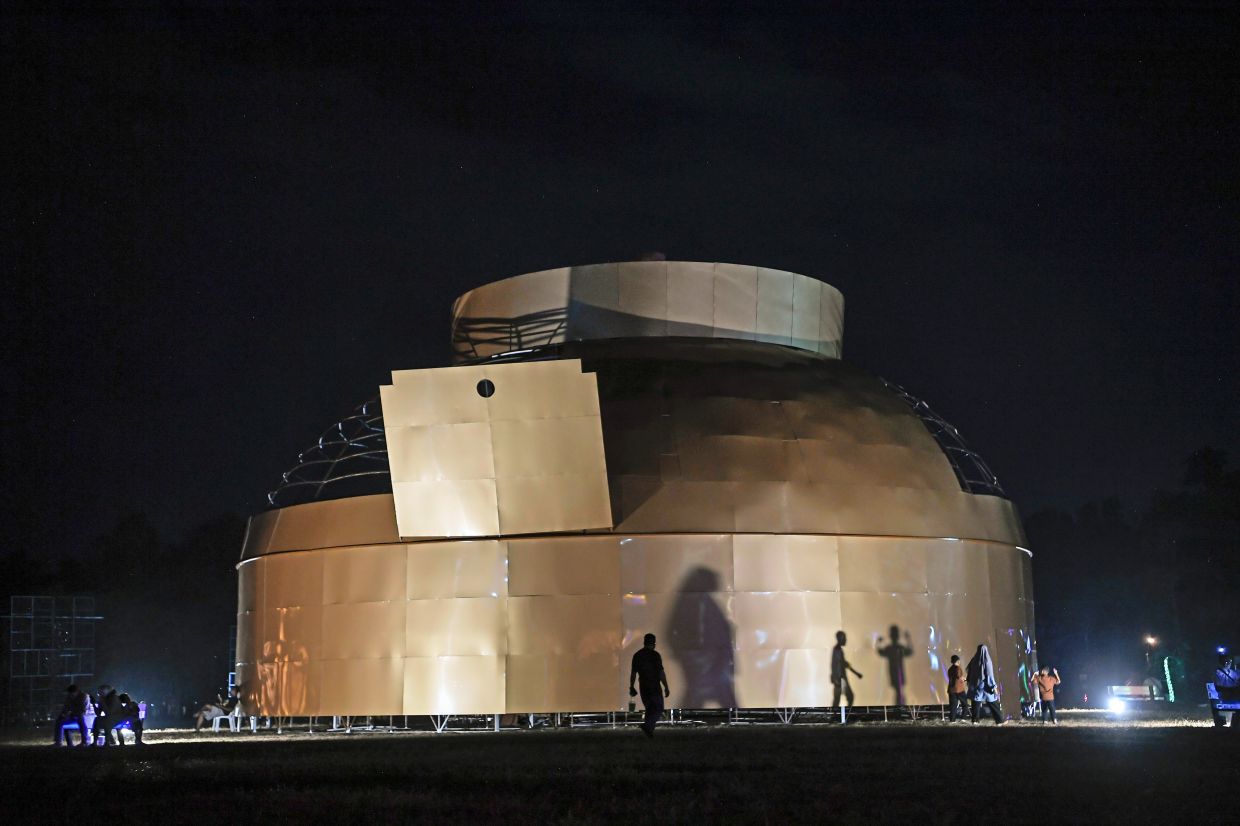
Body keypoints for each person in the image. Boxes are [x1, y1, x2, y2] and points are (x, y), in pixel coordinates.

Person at [629, 633, 670, 738]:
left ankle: (648, 732)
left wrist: (631, 686)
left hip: (643, 686)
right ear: (654, 643)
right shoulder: (655, 655)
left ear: (644, 642)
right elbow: (661, 673)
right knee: (658, 709)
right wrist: (666, 687)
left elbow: (633, 673)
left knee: (650, 709)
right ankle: (647, 727)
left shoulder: (637, 655)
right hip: (655, 686)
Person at [966, 644, 1003, 724]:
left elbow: (969, 672)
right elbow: (989, 674)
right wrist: (993, 686)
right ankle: (999, 720)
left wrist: (970, 682)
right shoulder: (987, 660)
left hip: (976, 685)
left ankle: (975, 720)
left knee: (976, 702)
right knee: (993, 702)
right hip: (985, 686)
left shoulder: (974, 660)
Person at [831, 631, 863, 711]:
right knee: (848, 697)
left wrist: (856, 673)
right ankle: (843, 714)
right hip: (840, 679)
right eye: (844, 638)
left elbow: (842, 664)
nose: (846, 640)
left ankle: (837, 715)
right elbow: (839, 665)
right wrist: (837, 680)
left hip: (839, 679)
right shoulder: (837, 650)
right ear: (840, 638)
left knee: (838, 699)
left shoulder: (838, 650)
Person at [1212, 653, 1239, 728]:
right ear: (1221, 662)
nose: (1228, 663)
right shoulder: (1217, 673)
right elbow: (1218, 688)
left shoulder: (1234, 673)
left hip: (1234, 696)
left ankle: (1236, 723)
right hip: (1224, 696)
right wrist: (1232, 690)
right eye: (1226, 661)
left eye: (1229, 661)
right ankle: (1236, 723)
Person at [947, 655, 968, 722]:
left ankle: (952, 720)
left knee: (953, 706)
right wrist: (965, 679)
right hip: (959, 689)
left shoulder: (950, 669)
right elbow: (959, 677)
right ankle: (963, 718)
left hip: (951, 690)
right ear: (958, 661)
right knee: (965, 704)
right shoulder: (958, 668)